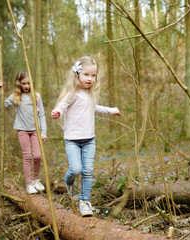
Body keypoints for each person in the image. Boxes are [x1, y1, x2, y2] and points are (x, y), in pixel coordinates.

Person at [51, 56, 120, 217]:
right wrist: (58, 112)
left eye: (93, 75)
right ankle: (69, 181)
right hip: (72, 141)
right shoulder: (72, 93)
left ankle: (85, 202)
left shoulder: (90, 94)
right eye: (86, 75)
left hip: (89, 140)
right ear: (77, 74)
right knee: (76, 169)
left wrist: (111, 110)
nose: (90, 79)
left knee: (87, 171)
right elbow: (62, 106)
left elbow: (94, 108)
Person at [0, 70, 47, 195]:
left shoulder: (37, 96)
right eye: (24, 83)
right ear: (19, 83)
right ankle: (28, 183)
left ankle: (35, 179)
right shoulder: (16, 96)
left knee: (38, 156)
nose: (26, 86)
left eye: (29, 83)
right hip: (22, 129)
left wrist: (43, 131)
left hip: (35, 130)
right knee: (27, 156)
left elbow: (42, 115)